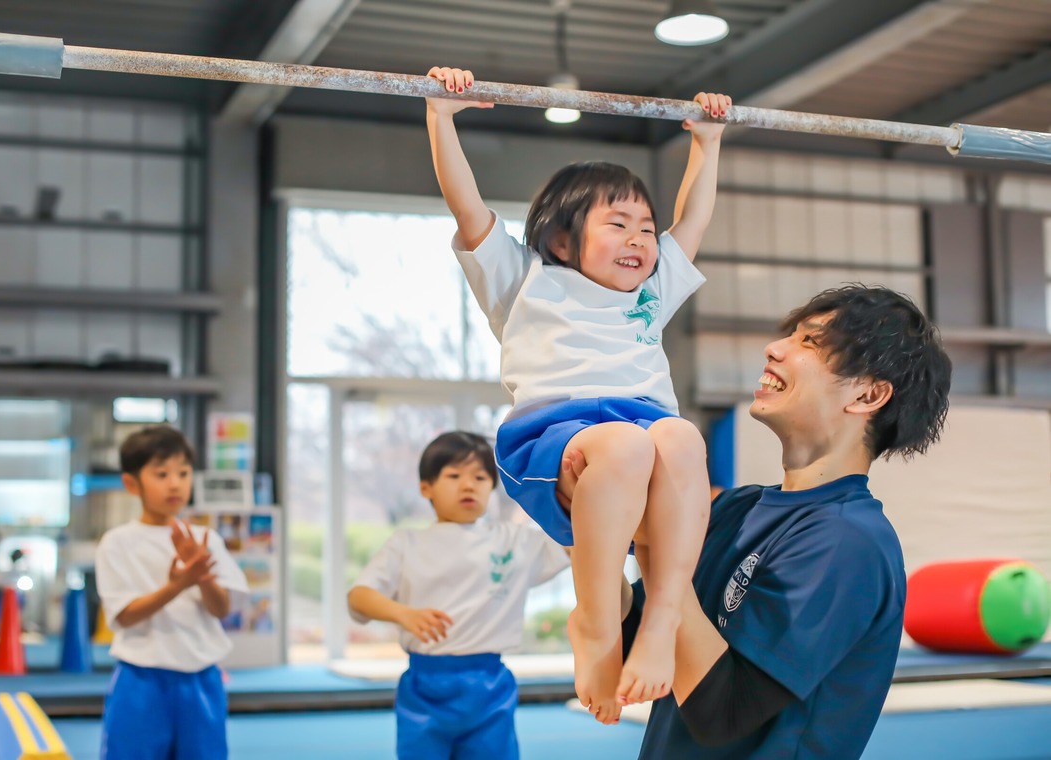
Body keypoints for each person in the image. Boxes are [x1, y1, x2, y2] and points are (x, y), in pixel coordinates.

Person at [425, 65, 730, 723]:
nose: (640, 239)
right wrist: (441, 119)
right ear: (562, 238)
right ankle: (597, 621)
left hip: (644, 443)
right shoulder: (524, 279)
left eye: (646, 228)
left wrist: (707, 144)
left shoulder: (651, 293)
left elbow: (695, 217)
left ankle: (656, 620)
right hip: (553, 437)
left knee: (679, 435)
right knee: (624, 444)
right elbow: (467, 207)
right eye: (618, 224)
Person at [591, 285, 951, 759]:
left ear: (868, 393)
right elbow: (635, 645)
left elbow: (722, 713)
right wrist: (583, 525)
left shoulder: (847, 543)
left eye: (810, 342)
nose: (774, 347)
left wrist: (660, 544)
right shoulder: (733, 510)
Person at [348, 431, 571, 760]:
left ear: (492, 488)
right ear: (427, 487)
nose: (468, 485)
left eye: (480, 477)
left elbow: (577, 539)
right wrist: (403, 613)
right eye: (454, 476)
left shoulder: (515, 541)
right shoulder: (406, 543)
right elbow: (358, 597)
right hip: (425, 687)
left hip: (490, 686)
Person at [95, 426, 248, 760]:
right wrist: (177, 585)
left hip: (202, 679)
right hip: (142, 680)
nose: (175, 483)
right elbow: (124, 614)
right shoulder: (118, 542)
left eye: (183, 472)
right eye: (161, 474)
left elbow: (222, 609)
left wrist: (202, 576)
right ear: (132, 484)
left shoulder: (205, 539)